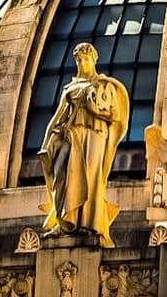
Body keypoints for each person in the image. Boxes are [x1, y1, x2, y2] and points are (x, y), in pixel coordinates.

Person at [39, 42, 129, 247]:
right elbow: (57, 117)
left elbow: (115, 115)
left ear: (94, 60)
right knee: (61, 174)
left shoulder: (104, 86)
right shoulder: (70, 87)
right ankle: (64, 220)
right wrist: (46, 142)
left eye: (85, 59)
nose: (81, 63)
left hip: (95, 135)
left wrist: (95, 110)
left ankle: (89, 223)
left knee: (90, 179)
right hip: (71, 135)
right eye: (78, 59)